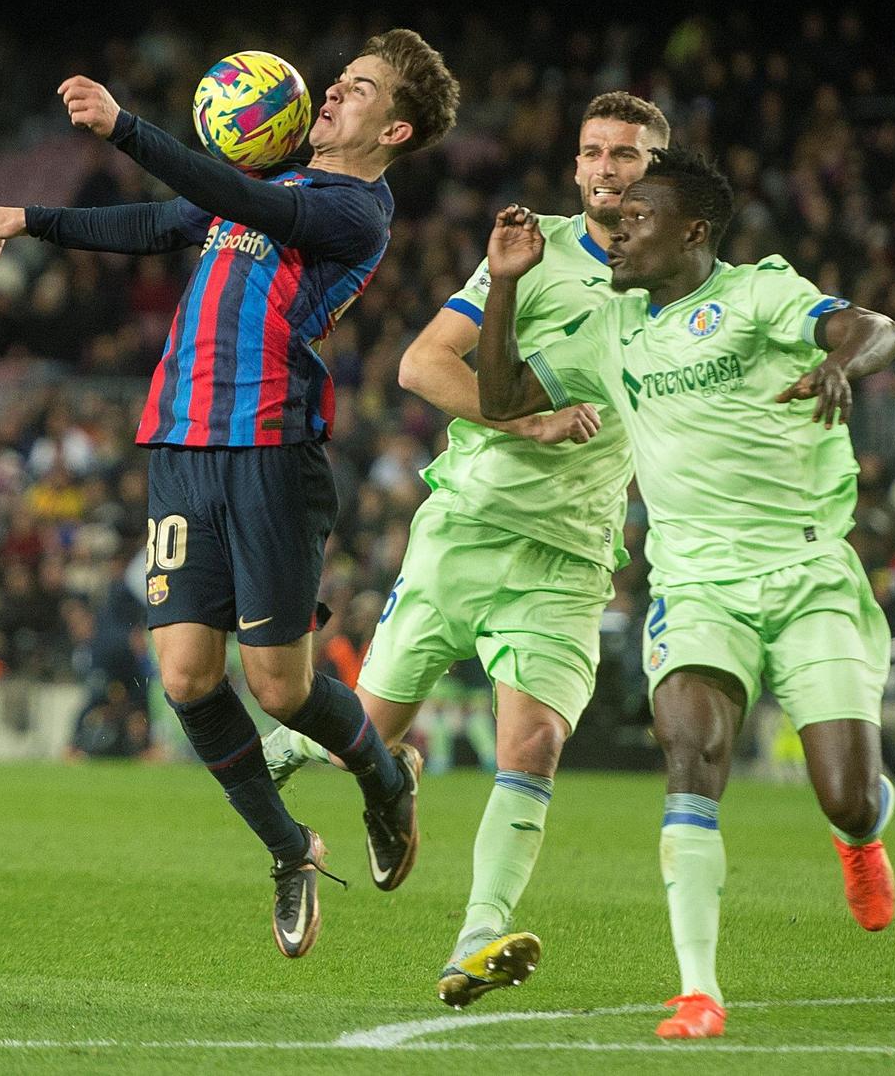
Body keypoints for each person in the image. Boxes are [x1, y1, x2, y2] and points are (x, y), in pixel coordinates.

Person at [0, 29, 459, 957]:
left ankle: (386, 781)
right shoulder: (279, 188)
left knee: (281, 688)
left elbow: (223, 194)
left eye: (352, 90)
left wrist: (125, 128)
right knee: (187, 676)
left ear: (393, 130)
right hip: (182, 444)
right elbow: (159, 223)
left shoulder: (354, 212)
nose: (328, 97)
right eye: (335, 81)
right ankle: (291, 849)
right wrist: (31, 218)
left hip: (270, 450)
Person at [474, 148, 895, 1040]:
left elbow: (876, 326)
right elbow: (501, 392)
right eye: (617, 215)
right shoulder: (609, 327)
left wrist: (841, 365)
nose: (618, 227)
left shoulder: (760, 295)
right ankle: (699, 991)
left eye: (638, 216)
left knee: (844, 794)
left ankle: (863, 834)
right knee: (689, 754)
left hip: (806, 567)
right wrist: (506, 288)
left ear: (693, 231)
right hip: (695, 580)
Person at [264, 91, 670, 1006]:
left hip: (568, 557)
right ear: (575, 166)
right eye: (593, 152)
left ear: (658, 172)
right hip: (468, 528)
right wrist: (527, 421)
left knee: (531, 744)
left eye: (628, 156)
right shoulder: (533, 254)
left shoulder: (688, 285)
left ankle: (477, 936)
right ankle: (342, 765)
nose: (607, 169)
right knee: (357, 742)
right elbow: (421, 364)